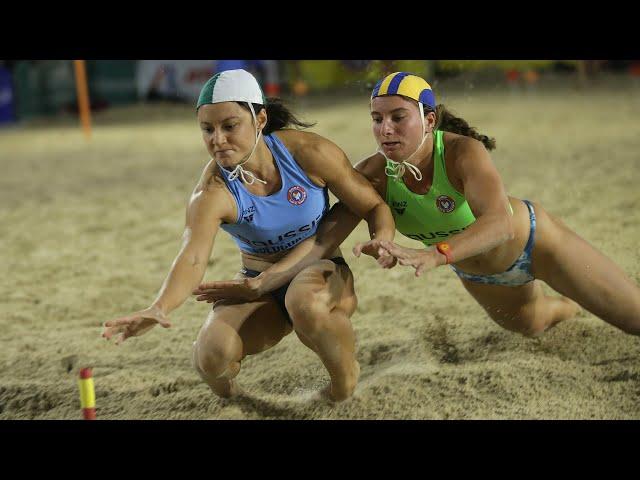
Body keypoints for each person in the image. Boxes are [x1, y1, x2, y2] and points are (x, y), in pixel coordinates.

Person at [195, 71, 640, 348]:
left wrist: (435, 254)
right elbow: (325, 239)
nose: (384, 129)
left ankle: (585, 293)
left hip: (539, 245)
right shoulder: (372, 175)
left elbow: (501, 223)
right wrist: (266, 282)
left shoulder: (462, 153)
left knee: (635, 319)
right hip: (481, 274)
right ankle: (570, 307)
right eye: (376, 118)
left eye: (397, 117)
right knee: (535, 323)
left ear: (428, 120)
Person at [102, 69, 395, 402]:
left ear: (260, 119)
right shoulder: (211, 192)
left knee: (305, 302)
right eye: (207, 129)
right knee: (211, 357)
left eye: (229, 126)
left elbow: (372, 205)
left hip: (321, 272)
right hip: (255, 283)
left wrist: (382, 238)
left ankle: (343, 385)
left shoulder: (309, 154)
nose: (218, 140)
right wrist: (159, 307)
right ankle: (246, 404)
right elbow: (193, 255)